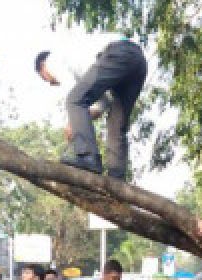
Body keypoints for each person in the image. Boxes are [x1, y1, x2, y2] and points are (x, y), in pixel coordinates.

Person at [34, 34, 148, 179]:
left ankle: (88, 157)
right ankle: (117, 178)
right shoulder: (81, 63)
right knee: (116, 124)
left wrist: (72, 124)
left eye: (45, 78)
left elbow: (74, 95)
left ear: (43, 67)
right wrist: (83, 118)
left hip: (118, 51)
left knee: (73, 100)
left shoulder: (53, 60)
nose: (50, 83)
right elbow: (103, 102)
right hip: (138, 60)